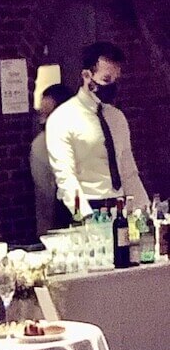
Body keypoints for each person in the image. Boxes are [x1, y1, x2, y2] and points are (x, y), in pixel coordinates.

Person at [46, 41, 149, 223]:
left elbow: (128, 171)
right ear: (87, 75)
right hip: (79, 206)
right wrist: (84, 216)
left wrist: (144, 210)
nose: (112, 86)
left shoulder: (116, 118)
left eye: (116, 80)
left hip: (117, 205)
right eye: (106, 80)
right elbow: (65, 177)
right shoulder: (62, 118)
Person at [30, 83, 72, 236]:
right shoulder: (41, 145)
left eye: (48, 115)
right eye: (42, 115)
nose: (43, 121)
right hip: (59, 221)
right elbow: (46, 195)